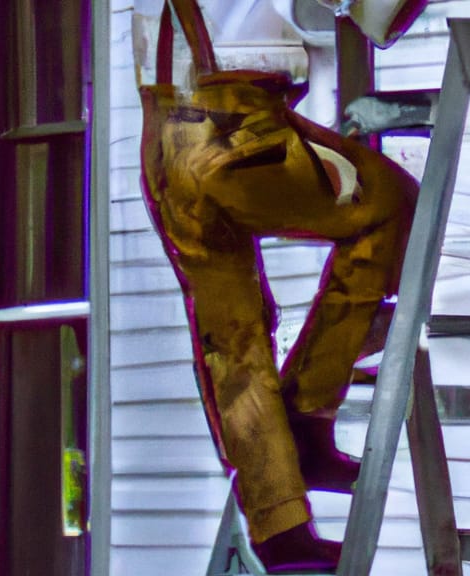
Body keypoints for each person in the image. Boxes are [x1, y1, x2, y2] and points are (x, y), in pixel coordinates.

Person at [138, 0, 417, 571]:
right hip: (237, 130)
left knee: (231, 337)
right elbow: (376, 15)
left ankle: (279, 527)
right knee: (388, 201)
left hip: (167, 137)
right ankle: (309, 409)